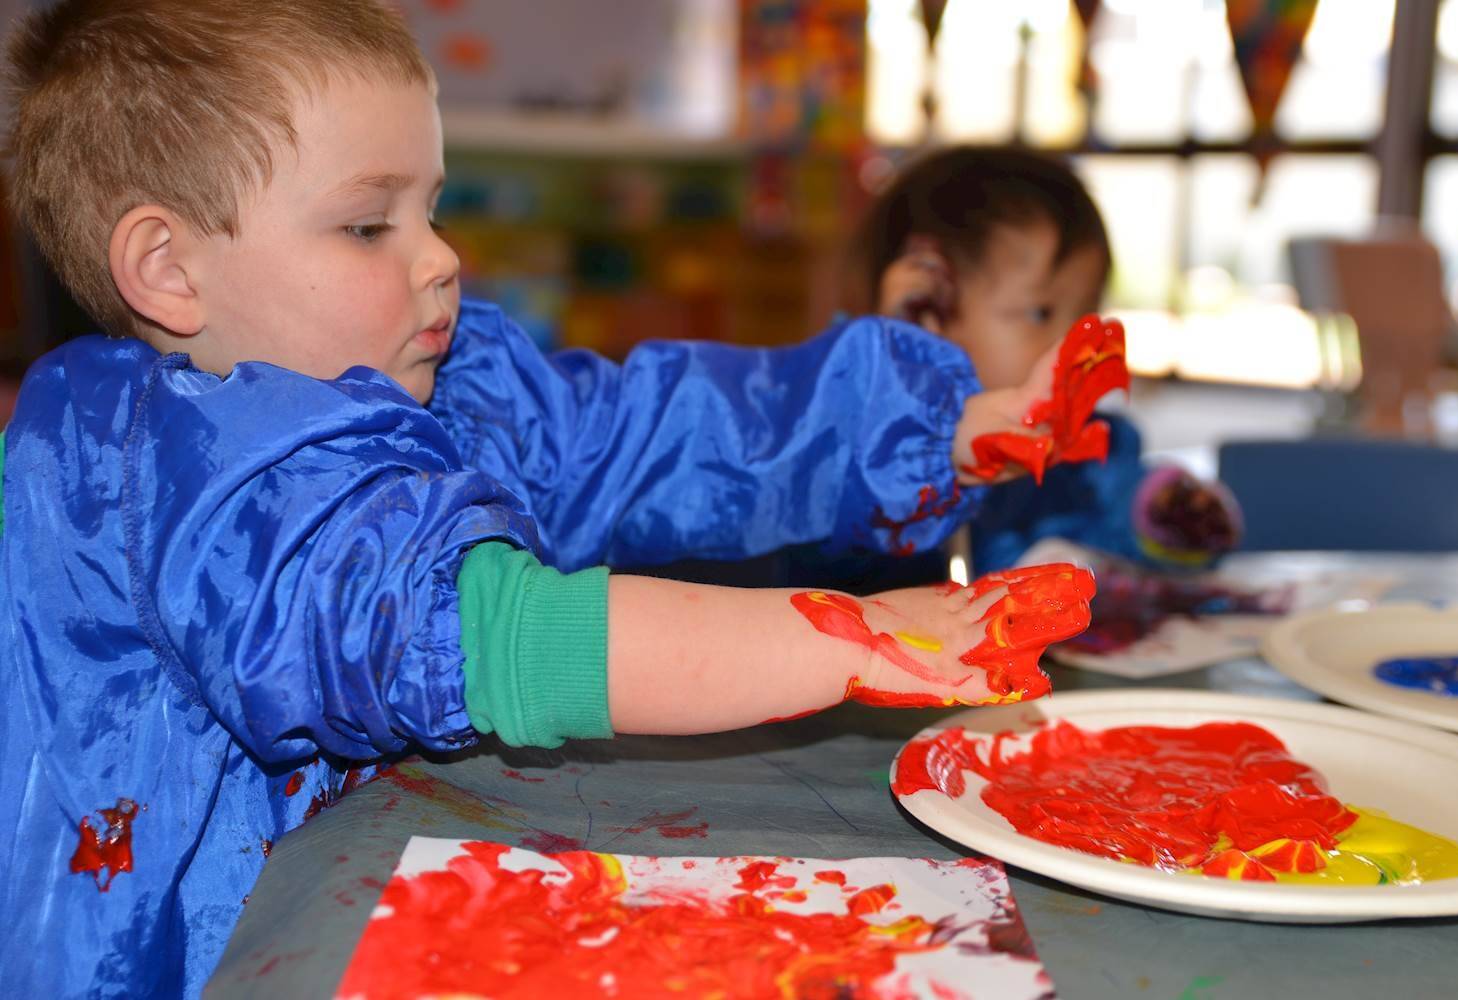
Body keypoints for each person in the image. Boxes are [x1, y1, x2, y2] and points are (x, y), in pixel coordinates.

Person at [0, 4, 1093, 995]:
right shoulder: (164, 475)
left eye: (431, 206)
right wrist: (858, 637)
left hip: (341, 895)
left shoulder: (439, 378)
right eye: (368, 225)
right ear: (167, 269)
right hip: (168, 961)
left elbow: (653, 432)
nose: (440, 258)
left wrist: (926, 427)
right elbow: (494, 635)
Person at [857, 145, 1241, 584]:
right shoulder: (865, 443)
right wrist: (895, 377)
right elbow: (834, 556)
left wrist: (1167, 513)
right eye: (1041, 312)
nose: (1075, 341)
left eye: (1088, 312)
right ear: (929, 317)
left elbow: (1116, 506)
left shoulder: (1087, 447)